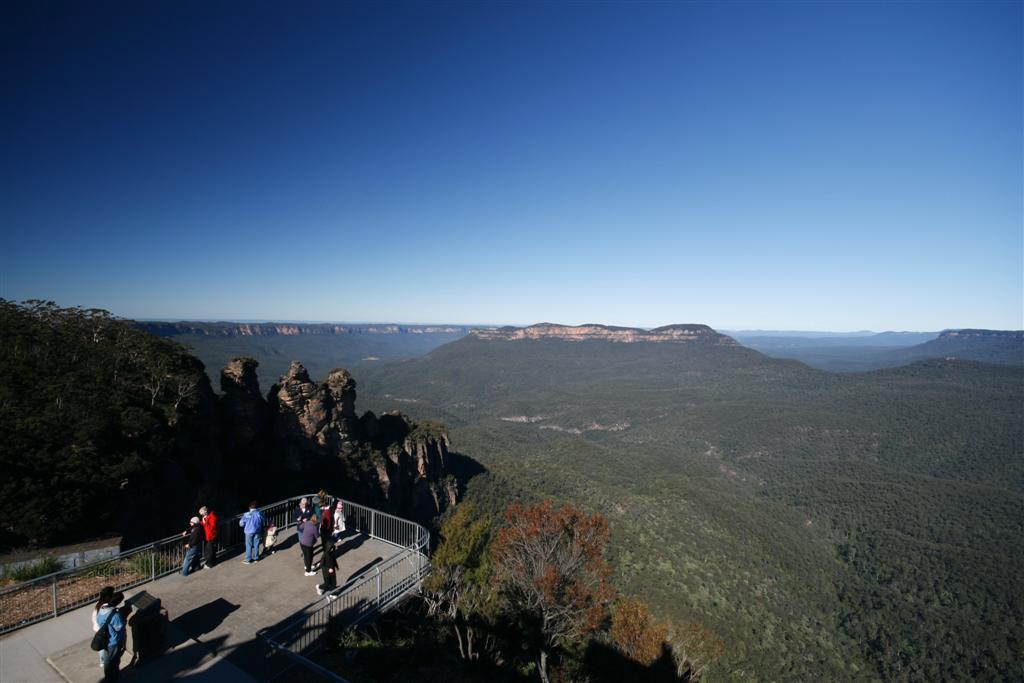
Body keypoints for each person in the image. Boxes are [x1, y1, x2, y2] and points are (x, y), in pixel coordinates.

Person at [98, 591, 126, 681]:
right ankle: (114, 678)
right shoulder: (115, 615)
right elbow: (119, 627)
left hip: (104, 640)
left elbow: (98, 620)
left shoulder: (102, 609)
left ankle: (108, 676)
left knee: (107, 661)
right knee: (114, 662)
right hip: (113, 641)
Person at [92, 586, 115, 669]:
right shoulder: (106, 606)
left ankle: (102, 661)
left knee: (101, 647)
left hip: (98, 629)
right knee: (104, 647)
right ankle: (104, 661)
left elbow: (94, 617)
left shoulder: (98, 604)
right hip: (103, 630)